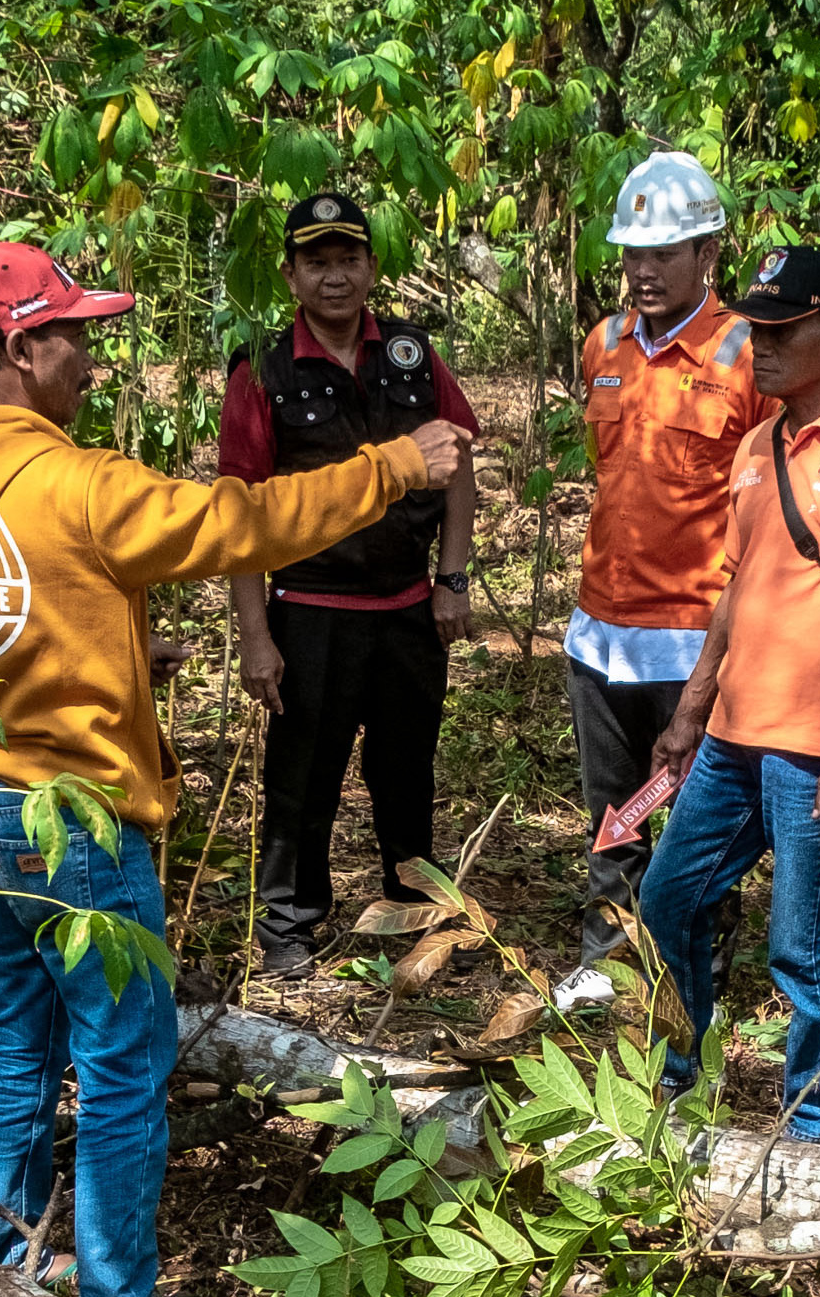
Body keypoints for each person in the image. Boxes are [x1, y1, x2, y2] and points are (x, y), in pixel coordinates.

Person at [0, 238, 462, 1297]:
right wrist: (392, 468)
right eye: (77, 341)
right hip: (79, 817)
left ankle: (1, 1258)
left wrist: (115, 652)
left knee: (18, 1033)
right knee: (119, 1066)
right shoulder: (77, 479)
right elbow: (232, 526)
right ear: (21, 346)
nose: (93, 367)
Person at [635, 245, 820, 1140]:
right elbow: (738, 585)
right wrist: (690, 712)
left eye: (780, 329)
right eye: (753, 327)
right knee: (667, 900)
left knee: (803, 947)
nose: (758, 346)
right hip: (732, 734)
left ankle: (818, 1129)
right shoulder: (760, 444)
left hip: (815, 748)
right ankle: (682, 1081)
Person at [220, 190, 481, 982]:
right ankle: (291, 932)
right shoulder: (264, 369)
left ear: (372, 267)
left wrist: (454, 578)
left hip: (407, 611)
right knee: (301, 783)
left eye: (348, 260)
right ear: (291, 276)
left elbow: (460, 460)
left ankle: (418, 917)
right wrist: (256, 636)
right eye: (316, 262)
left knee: (407, 776)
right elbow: (240, 513)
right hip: (309, 616)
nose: (335, 277)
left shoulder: (410, 352)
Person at [551, 150, 767, 1012]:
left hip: (693, 635)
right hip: (601, 630)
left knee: (693, 819)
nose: (643, 271)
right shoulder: (604, 343)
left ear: (707, 254)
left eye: (663, 253)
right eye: (632, 254)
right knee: (616, 812)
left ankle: (691, 973)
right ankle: (608, 956)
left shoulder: (748, 351)